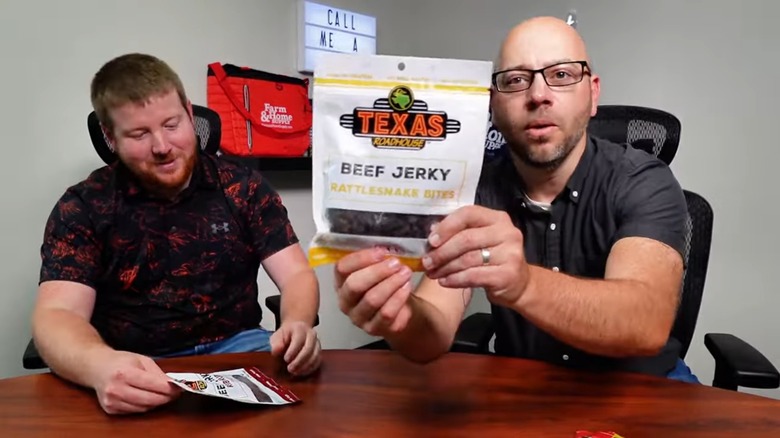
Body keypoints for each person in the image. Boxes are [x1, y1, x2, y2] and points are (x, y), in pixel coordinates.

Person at [334, 16, 697, 382]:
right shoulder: (476, 190)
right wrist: (400, 316)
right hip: (529, 392)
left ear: (593, 94)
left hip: (646, 390)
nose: (538, 95)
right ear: (494, 104)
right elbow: (435, 331)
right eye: (516, 80)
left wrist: (524, 285)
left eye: (561, 75)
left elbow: (646, 324)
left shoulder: (643, 180)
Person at [31, 53, 322, 415]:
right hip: (135, 361)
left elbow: (296, 274)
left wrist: (297, 323)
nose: (162, 146)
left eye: (171, 124)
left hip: (240, 347)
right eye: (139, 134)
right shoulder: (84, 206)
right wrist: (98, 365)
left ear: (188, 112)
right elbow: (57, 314)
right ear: (110, 136)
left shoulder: (242, 186)